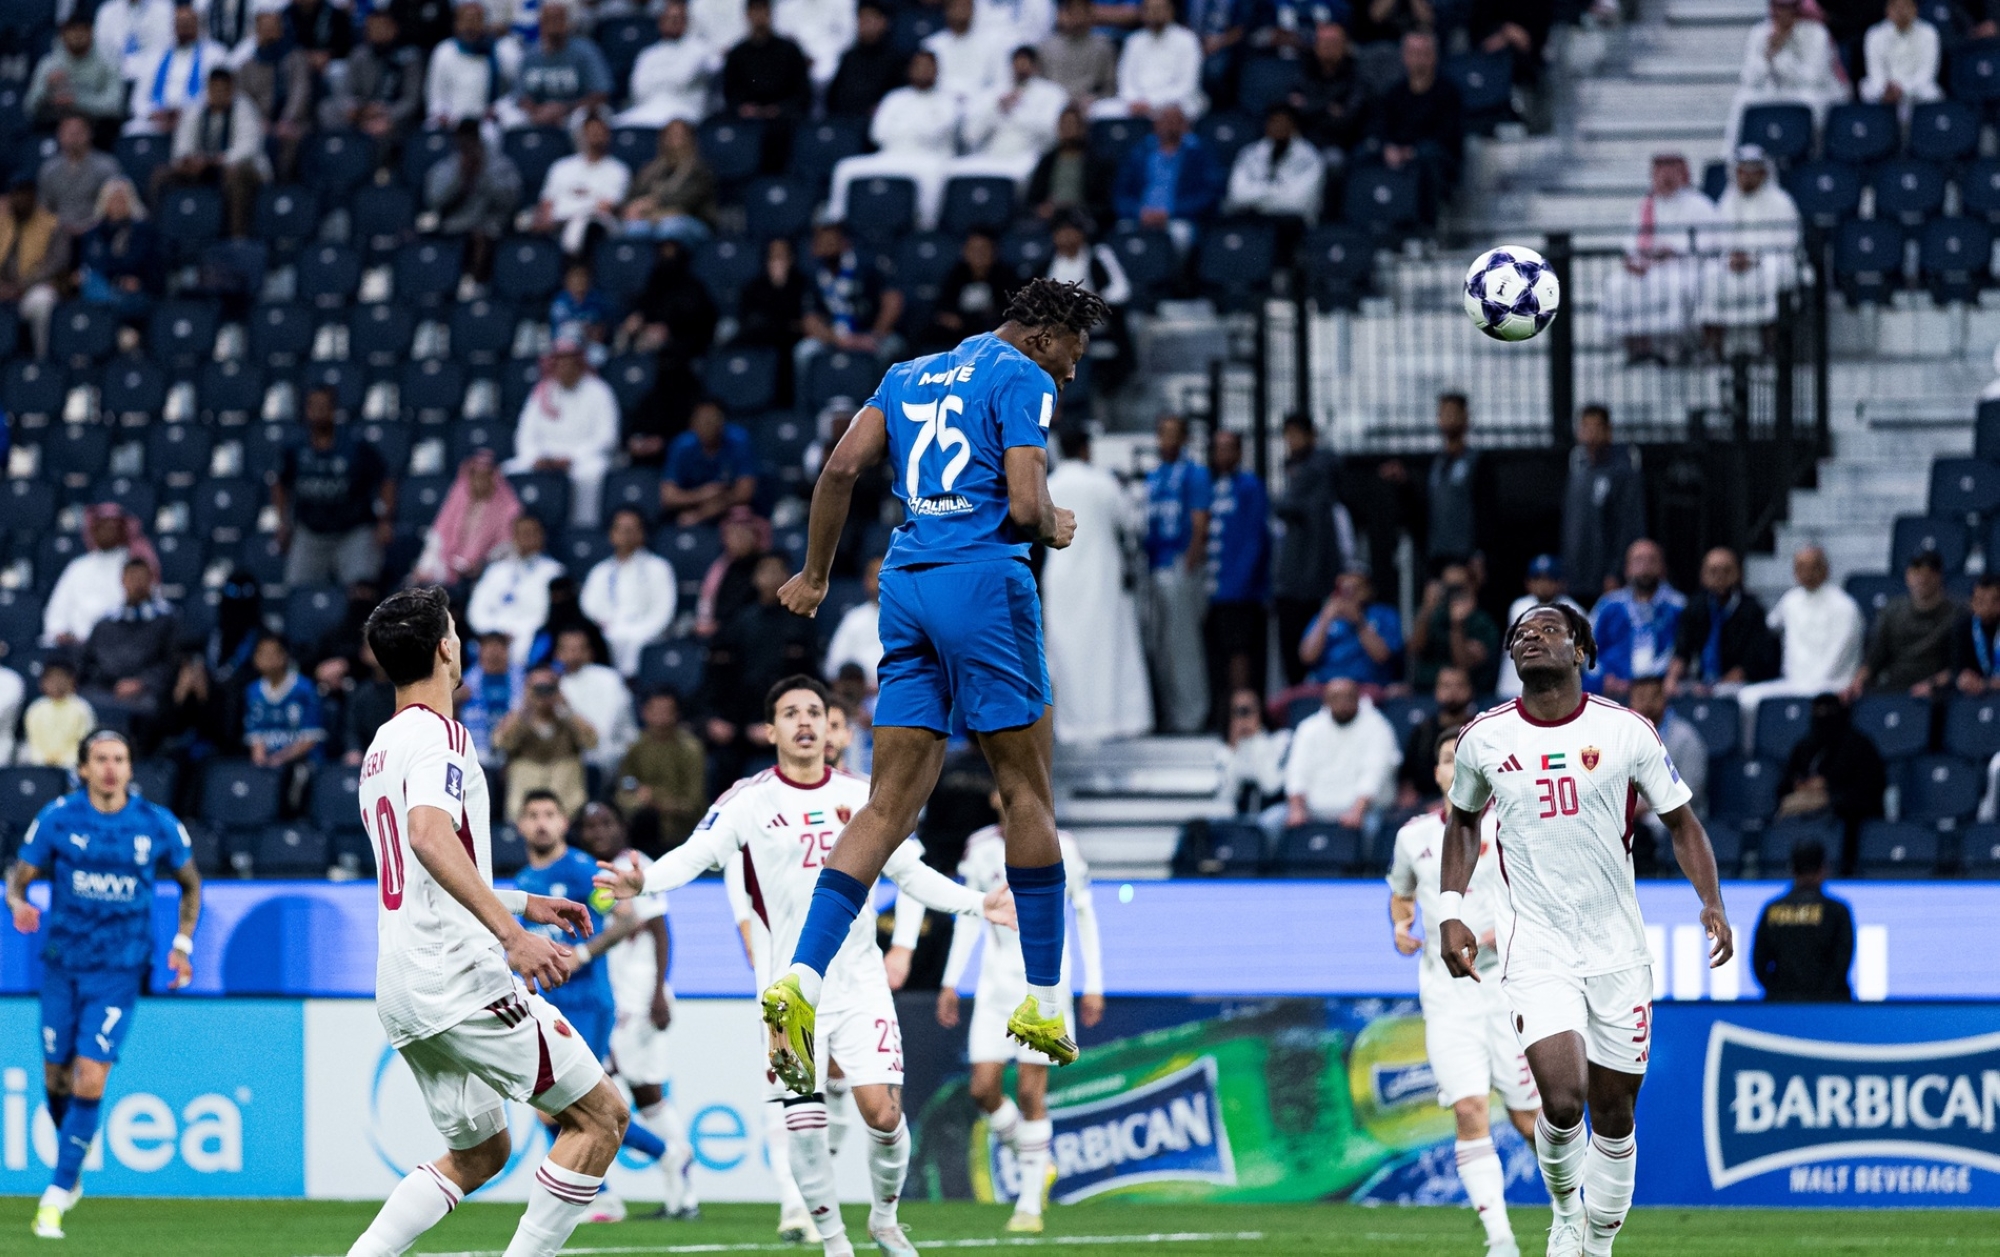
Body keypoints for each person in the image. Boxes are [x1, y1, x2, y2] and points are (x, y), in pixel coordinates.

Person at [758, 279, 1107, 1085]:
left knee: (886, 805)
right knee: (1027, 789)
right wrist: (1054, 522)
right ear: (1042, 336)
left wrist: (816, 574)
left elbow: (840, 468)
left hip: (907, 584)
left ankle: (800, 977)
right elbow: (1025, 504)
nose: (1071, 372)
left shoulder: (905, 374)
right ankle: (1043, 1000)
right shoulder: (1022, 377)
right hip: (983, 584)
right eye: (1071, 354)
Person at [598, 676, 1015, 1257]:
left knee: (883, 1114)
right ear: (770, 730)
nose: (804, 721)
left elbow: (910, 874)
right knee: (804, 1123)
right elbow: (696, 855)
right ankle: (834, 1242)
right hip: (787, 993)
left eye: (814, 712)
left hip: (860, 982)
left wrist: (977, 903)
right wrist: (644, 881)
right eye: (791, 713)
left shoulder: (866, 797)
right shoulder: (748, 800)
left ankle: (885, 1220)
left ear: (828, 727)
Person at [1438, 603, 1733, 1257]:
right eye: (1520, 633)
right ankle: (1566, 1213)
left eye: (1548, 629)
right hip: (1536, 945)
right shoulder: (1484, 737)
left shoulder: (1626, 731)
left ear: (1581, 650)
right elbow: (1462, 820)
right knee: (1564, 1100)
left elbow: (1682, 822)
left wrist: (1711, 901)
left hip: (1617, 949)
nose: (1530, 637)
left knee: (1615, 1114)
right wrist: (1450, 909)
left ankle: (1597, 1243)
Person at [344, 587, 626, 1257]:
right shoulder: (442, 734)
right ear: (447, 648)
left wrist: (525, 904)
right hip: (459, 979)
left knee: (482, 1152)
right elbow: (429, 836)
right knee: (601, 1118)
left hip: (404, 984)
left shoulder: (381, 746)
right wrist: (513, 934)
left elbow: (426, 868)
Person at [8, 731, 200, 1240]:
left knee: (90, 1076)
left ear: (130, 768)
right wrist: (19, 904)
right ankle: (72, 1158)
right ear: (83, 769)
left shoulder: (155, 823)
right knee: (56, 1078)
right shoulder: (58, 817)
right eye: (100, 759)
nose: (111, 768)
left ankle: (55, 1195)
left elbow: (191, 884)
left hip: (119, 970)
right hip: (63, 965)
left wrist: (182, 945)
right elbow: (18, 879)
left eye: (119, 759)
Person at [1387, 732, 1540, 1257]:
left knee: (1530, 1120)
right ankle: (1501, 1238)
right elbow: (1401, 893)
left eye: (1464, 759)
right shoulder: (1413, 837)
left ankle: (1575, 1210)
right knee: (1470, 1109)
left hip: (1508, 991)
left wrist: (1500, 932)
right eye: (1448, 759)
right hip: (1448, 997)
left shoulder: (1511, 825)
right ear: (1436, 773)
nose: (1456, 767)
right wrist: (1400, 926)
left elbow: (1540, 896)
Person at [511, 790, 683, 1224]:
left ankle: (609, 1191)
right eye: (533, 815)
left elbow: (627, 917)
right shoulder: (523, 880)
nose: (541, 823)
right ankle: (660, 1157)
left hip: (588, 1001)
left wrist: (584, 954)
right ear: (520, 825)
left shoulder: (583, 869)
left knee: (568, 1102)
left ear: (563, 823)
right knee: (553, 1106)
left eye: (550, 814)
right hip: (545, 1003)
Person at [938, 790, 1104, 1233]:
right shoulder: (980, 849)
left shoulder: (1063, 846)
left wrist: (1094, 983)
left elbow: (1084, 913)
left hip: (1045, 987)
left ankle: (1029, 1204)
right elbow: (969, 915)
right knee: (982, 1089)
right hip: (995, 989)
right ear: (993, 796)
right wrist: (951, 980)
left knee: (1032, 1093)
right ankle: (1036, 1161)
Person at [573, 803, 700, 1218]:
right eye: (590, 826)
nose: (598, 832)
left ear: (621, 826)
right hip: (613, 999)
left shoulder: (636, 866)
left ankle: (667, 1171)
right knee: (645, 1096)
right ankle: (680, 1190)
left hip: (639, 999)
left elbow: (661, 930)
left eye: (606, 823)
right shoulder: (586, 871)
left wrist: (658, 994)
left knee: (599, 1087)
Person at [1042, 428, 1152, 744]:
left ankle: (1073, 725)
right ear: (1086, 449)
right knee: (1108, 652)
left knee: (1067, 654)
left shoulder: (1050, 485)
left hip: (1062, 582)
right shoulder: (1103, 484)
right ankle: (1116, 720)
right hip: (1101, 579)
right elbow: (1130, 522)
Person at [1601, 154, 1717, 365]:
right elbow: (1631, 242)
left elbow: (1710, 240)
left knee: (1675, 287)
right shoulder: (1646, 205)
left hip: (1683, 267)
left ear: (1682, 174)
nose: (1666, 177)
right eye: (1661, 172)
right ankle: (1636, 348)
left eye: (1671, 171)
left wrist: (1674, 249)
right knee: (1616, 285)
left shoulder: (1699, 204)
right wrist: (1634, 261)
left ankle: (1672, 348)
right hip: (1647, 267)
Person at [275, 387, 395, 589]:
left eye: (324, 407)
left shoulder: (355, 447)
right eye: (314, 407)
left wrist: (385, 520)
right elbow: (279, 483)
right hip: (311, 533)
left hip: (353, 531)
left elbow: (386, 480)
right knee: (297, 591)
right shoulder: (294, 449)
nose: (319, 412)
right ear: (306, 411)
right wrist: (282, 522)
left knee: (362, 591)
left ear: (333, 410)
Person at [828, 50, 961, 232]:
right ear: (910, 70)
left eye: (927, 66)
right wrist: (915, 128)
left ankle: (926, 227)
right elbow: (878, 133)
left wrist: (903, 128)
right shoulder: (894, 98)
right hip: (891, 154)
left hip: (929, 157)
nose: (922, 70)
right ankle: (836, 221)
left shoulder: (948, 99)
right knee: (845, 168)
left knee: (932, 174)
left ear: (936, 70)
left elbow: (935, 133)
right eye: (918, 66)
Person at [1144, 414, 1212, 735]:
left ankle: (1193, 716)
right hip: (1154, 568)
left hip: (1178, 566)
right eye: (1163, 433)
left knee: (1184, 646)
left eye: (1173, 434)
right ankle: (1171, 715)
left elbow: (1200, 523)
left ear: (1184, 438)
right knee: (1161, 648)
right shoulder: (1154, 475)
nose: (1167, 440)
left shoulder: (1194, 474)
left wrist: (1189, 564)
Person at [506, 338, 620, 528]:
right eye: (560, 362)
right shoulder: (541, 392)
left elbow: (608, 437)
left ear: (579, 363)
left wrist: (572, 458)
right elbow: (524, 434)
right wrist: (535, 457)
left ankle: (583, 528)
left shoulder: (599, 391)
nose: (564, 367)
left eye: (569, 362)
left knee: (591, 474)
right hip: (544, 458)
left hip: (582, 459)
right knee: (509, 470)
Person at [1275, 677, 1401, 845]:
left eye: (1348, 697)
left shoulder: (1378, 727)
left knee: (1373, 829)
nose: (1342, 703)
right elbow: (1297, 770)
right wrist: (1297, 809)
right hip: (1311, 809)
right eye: (1335, 698)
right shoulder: (1309, 728)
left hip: (1363, 811)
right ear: (1325, 701)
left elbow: (1374, 773)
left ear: (1358, 698)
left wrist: (1357, 811)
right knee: (1270, 822)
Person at [1271, 414, 1348, 687]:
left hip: (1313, 581)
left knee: (1317, 651)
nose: (1291, 441)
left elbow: (1287, 506)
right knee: (1293, 653)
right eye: (1288, 435)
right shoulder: (1296, 470)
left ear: (1311, 435)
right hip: (1294, 581)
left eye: (1297, 434)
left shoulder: (1318, 468)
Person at [1739, 544, 1865, 710]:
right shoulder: (1790, 600)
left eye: (1813, 567)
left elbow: (1841, 651)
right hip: (1793, 683)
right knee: (1746, 697)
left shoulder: (1844, 606)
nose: (1807, 573)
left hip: (1832, 684)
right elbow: (1769, 626)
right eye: (1801, 568)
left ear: (1826, 570)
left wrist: (1816, 681)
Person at [1696, 146, 1801, 337]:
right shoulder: (1727, 202)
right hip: (1732, 263)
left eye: (1753, 173)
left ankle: (1771, 339)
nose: (1747, 178)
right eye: (1743, 172)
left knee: (1775, 273)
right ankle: (1715, 344)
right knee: (1709, 275)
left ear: (1763, 174)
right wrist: (1732, 258)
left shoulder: (1781, 202)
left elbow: (1789, 242)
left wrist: (1753, 259)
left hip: (1768, 261)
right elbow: (1718, 241)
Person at [1776, 694, 1885, 873]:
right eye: (1818, 712)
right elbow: (1785, 786)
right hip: (1800, 813)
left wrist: (1828, 795)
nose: (1823, 718)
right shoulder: (1804, 746)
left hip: (1847, 819)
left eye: (1828, 712)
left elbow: (1868, 792)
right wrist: (1803, 788)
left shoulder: (1860, 746)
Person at [1203, 430, 1268, 723]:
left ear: (1240, 452)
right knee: (1218, 653)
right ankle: (1221, 712)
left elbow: (1256, 537)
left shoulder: (1250, 486)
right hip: (1212, 585)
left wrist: (1242, 581)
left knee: (1239, 652)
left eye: (1229, 448)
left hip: (1239, 589)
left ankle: (1241, 714)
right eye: (1218, 448)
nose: (1222, 454)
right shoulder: (1210, 485)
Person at [1362, 31, 1463, 219]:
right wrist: (1388, 148)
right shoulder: (1393, 92)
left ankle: (1425, 225)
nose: (1418, 59)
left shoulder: (1448, 92)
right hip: (1396, 150)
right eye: (1413, 53)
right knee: (1362, 155)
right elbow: (1380, 126)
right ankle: (1365, 221)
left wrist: (1411, 152)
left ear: (1434, 57)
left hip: (1432, 153)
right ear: (1404, 56)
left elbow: (1448, 135)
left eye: (1424, 53)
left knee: (1429, 158)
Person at [76, 557, 179, 742]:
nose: (137, 583)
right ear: (122, 580)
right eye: (132, 577)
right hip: (105, 688)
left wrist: (143, 682)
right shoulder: (105, 623)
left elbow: (172, 663)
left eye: (142, 577)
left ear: (151, 580)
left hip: (147, 692)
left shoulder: (168, 620)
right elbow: (87, 662)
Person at [159, 65, 267, 238]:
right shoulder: (196, 107)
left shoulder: (244, 107)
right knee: (162, 176)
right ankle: (163, 235)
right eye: (214, 89)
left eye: (223, 90)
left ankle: (236, 238)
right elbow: (182, 143)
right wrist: (188, 159)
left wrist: (216, 161)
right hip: (203, 168)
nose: (218, 94)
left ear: (231, 89)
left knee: (235, 175)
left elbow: (248, 147)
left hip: (242, 168)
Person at [1751, 839, 1856, 1001]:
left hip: (1782, 1004)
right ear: (1824, 869)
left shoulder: (1772, 910)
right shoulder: (1836, 911)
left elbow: (1759, 963)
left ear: (1792, 869)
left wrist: (1779, 992)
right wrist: (1823, 995)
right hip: (1829, 1005)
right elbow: (1842, 962)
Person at [1112, 103, 1221, 256]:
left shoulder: (1198, 153)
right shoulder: (1139, 153)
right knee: (1122, 234)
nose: (1170, 126)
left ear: (1185, 125)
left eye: (1175, 121)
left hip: (1178, 218)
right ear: (1156, 124)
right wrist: (1139, 212)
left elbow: (1208, 195)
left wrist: (1171, 212)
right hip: (1140, 217)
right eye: (1165, 120)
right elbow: (1121, 194)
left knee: (1180, 235)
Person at [1667, 546, 1779, 695]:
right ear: (1703, 575)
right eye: (1713, 571)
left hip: (1742, 684)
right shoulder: (1695, 606)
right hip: (1703, 682)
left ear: (1738, 573)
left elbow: (1754, 659)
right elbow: (1682, 650)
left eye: (1726, 571)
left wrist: (1718, 687)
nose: (1720, 576)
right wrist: (1671, 679)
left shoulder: (1752, 609)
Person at [580, 509, 678, 677]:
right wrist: (611, 627)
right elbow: (589, 607)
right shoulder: (600, 571)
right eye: (621, 528)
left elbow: (663, 611)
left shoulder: (659, 568)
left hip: (645, 637)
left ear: (642, 534)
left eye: (632, 529)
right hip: (608, 635)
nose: (626, 534)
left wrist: (637, 633)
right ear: (611, 534)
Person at [1561, 406, 1646, 600]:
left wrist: (1615, 572)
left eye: (1596, 427)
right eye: (1585, 426)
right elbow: (1569, 527)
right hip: (1576, 576)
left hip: (1605, 577)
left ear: (1608, 431)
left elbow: (1627, 525)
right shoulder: (1578, 471)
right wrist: (1566, 571)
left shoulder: (1622, 472)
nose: (1590, 433)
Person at [1729, 0, 1844, 143]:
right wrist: (1770, 53)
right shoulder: (1759, 33)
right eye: (1779, 7)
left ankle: (1811, 153)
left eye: (1790, 7)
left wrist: (1783, 60)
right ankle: (1736, 154)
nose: (1784, 13)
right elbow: (1749, 78)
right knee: (1742, 99)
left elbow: (1815, 78)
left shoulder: (1817, 32)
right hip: (1775, 91)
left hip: (1810, 91)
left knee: (1811, 100)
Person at [44, 505, 159, 648]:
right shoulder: (78, 568)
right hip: (80, 648)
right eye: (102, 527)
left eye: (112, 527)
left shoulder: (136, 567)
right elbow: (56, 617)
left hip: (125, 648)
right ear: (93, 530)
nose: (107, 532)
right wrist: (62, 635)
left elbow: (154, 612)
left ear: (124, 530)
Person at [1847, 549, 1957, 698]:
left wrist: (1934, 684)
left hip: (1937, 691)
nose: (1922, 578)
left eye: (1928, 572)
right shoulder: (1891, 611)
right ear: (1907, 576)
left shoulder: (1957, 613)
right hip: (1894, 687)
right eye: (1916, 572)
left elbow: (1960, 666)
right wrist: (1857, 682)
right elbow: (1874, 659)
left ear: (1939, 576)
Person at [422, 121, 523, 283]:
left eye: (472, 139)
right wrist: (461, 177)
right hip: (453, 229)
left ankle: (478, 284)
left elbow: (510, 201)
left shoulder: (501, 165)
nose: (468, 145)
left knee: (482, 237)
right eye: (463, 140)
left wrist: (482, 173)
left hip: (492, 229)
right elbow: (434, 202)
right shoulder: (445, 167)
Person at [800, 219, 906, 368]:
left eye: (831, 240)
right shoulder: (813, 273)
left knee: (887, 350)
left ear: (844, 242)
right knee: (804, 351)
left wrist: (874, 336)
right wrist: (837, 340)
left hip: (873, 334)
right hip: (834, 338)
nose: (825, 244)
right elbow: (810, 320)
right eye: (821, 240)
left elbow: (893, 303)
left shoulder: (868, 264)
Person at [496, 664, 599, 818]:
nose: (543, 694)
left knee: (569, 765)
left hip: (566, 797)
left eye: (549, 688)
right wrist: (524, 707)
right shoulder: (518, 722)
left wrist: (566, 707)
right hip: (525, 795)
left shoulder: (568, 723)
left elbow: (591, 742)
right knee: (521, 767)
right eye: (537, 688)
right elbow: (501, 743)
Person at [957, 47, 1069, 186]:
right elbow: (970, 135)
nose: (1020, 69)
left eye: (1025, 64)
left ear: (1035, 66)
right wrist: (997, 109)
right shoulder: (994, 92)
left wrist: (1021, 110)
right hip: (991, 154)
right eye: (1017, 64)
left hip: (1030, 153)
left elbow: (1052, 133)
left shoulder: (1051, 93)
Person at [615, 690, 709, 853]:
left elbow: (694, 804)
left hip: (680, 825)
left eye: (666, 711)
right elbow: (625, 787)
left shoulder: (691, 749)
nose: (661, 716)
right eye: (655, 710)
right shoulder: (636, 746)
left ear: (677, 714)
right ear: (644, 712)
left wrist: (656, 800)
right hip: (641, 819)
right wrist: (636, 800)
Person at [413, 449, 522, 589]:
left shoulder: (506, 506)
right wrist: (425, 567)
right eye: (476, 476)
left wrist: (482, 564)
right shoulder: (457, 500)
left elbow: (507, 545)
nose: (480, 482)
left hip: (487, 568)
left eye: (485, 477)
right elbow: (438, 537)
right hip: (451, 565)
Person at [468, 514, 567, 664]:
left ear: (542, 536)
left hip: (527, 635)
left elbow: (544, 614)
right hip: (490, 634)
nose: (526, 537)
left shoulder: (553, 572)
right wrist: (491, 632)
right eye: (521, 533)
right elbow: (477, 607)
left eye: (531, 533)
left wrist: (514, 632)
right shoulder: (496, 570)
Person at [1588, 539, 1683, 697]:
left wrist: (1670, 678)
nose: (1645, 566)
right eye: (1638, 560)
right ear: (1627, 569)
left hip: (1663, 690)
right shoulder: (1609, 605)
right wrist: (1603, 677)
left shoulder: (1678, 606)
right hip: (1614, 688)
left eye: (1652, 560)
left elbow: (1685, 653)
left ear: (1663, 568)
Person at [320, 9, 424, 149]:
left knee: (390, 127)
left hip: (391, 114)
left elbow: (411, 101)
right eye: (372, 28)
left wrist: (387, 113)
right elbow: (347, 91)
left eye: (381, 27)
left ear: (393, 28)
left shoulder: (409, 58)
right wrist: (356, 108)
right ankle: (337, 153)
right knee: (327, 108)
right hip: (362, 112)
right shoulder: (358, 55)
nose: (376, 32)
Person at [532, 112, 630, 257]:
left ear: (607, 135)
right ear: (582, 135)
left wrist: (569, 211)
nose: (595, 137)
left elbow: (606, 206)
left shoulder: (618, 170)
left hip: (594, 228)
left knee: (582, 225)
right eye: (591, 132)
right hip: (557, 224)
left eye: (599, 132)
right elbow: (547, 202)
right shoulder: (561, 167)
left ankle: (577, 263)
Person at [503, 2, 612, 129]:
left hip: (574, 113)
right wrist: (537, 112)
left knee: (588, 115)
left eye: (558, 19)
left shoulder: (586, 50)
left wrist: (565, 109)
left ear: (568, 23)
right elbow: (520, 95)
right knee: (511, 117)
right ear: (541, 23)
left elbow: (601, 93)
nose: (554, 25)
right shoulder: (530, 55)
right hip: (539, 113)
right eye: (549, 19)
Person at [126, 4, 228, 137]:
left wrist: (187, 113)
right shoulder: (155, 55)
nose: (184, 28)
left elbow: (217, 94)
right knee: (130, 132)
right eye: (180, 23)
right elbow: (138, 99)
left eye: (188, 23)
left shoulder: (215, 54)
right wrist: (153, 114)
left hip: (196, 118)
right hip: (157, 119)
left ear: (198, 25)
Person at [1627, 674, 1709, 838]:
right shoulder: (1624, 737)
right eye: (1640, 697)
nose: (1647, 704)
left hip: (1677, 816)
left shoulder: (1685, 737)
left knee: (1645, 828)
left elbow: (1690, 792)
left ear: (1663, 698)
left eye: (1653, 697)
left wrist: (1645, 807)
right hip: (1633, 813)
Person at [1223, 103, 1324, 231]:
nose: (1277, 126)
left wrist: (1258, 194)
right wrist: (1278, 190)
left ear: (1293, 125)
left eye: (1282, 122)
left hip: (1292, 227)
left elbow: (1298, 202)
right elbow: (1237, 195)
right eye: (1273, 121)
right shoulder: (1249, 153)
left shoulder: (1310, 157)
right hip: (1252, 221)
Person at [0, 176, 71, 361]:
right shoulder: (3, 222)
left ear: (33, 196)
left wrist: (23, 284)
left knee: (42, 302)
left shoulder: (52, 224)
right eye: (15, 195)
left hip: (33, 289)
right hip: (4, 289)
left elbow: (57, 262)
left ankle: (42, 361)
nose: (19, 199)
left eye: (24, 195)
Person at [74, 178, 162, 324]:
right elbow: (89, 263)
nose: (118, 203)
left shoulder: (143, 231)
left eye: (122, 199)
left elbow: (139, 262)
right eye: (113, 199)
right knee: (90, 283)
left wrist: (139, 282)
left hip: (133, 293)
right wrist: (116, 275)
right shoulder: (92, 234)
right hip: (99, 287)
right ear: (104, 202)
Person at [617, 0, 717, 127]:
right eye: (669, 18)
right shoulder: (648, 54)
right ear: (661, 22)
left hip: (685, 111)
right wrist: (671, 80)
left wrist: (659, 81)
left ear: (687, 21)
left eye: (678, 18)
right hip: (649, 108)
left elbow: (683, 77)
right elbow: (638, 90)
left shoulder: (700, 49)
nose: (674, 22)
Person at [1497, 555, 1585, 700]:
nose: (1543, 584)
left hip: (1555, 691)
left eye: (1549, 579)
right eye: (1537, 579)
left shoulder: (1575, 611)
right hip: (1513, 687)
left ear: (1560, 583)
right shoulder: (1519, 607)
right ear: (1528, 583)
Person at [554, 626, 638, 775]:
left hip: (614, 757)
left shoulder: (609, 679)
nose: (573, 655)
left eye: (579, 649)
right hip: (570, 761)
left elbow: (605, 733)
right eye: (568, 649)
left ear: (589, 652)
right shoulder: (554, 684)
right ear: (557, 654)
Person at [1099, 0, 1205, 118]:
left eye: (1159, 9)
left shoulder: (1187, 40)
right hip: (1137, 103)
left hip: (1173, 102)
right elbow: (1125, 80)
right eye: (1149, 9)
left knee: (1176, 112)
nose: (1154, 13)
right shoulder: (1134, 41)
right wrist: (1134, 100)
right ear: (1142, 13)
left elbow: (1187, 86)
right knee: (1100, 110)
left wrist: (1151, 102)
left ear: (1171, 12)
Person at [1299, 568, 1402, 688]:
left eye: (1355, 589)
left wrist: (1359, 622)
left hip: (1369, 686)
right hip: (1324, 686)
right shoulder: (1323, 616)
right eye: (1343, 589)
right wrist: (1324, 619)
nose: (1348, 595)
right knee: (1285, 698)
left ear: (1368, 590)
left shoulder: (1384, 614)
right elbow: (1308, 657)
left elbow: (1382, 657)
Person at [662, 399, 759, 526]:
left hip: (730, 508)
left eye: (713, 419)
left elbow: (745, 492)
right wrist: (702, 495)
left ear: (723, 422)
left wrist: (702, 514)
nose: (708, 424)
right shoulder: (681, 445)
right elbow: (668, 497)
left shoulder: (739, 440)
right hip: (691, 507)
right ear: (692, 424)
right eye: (702, 419)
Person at [620, 121, 718, 244]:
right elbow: (633, 197)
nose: (673, 140)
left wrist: (651, 203)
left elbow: (686, 202)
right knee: (633, 229)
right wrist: (635, 206)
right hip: (652, 218)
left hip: (693, 220)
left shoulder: (700, 169)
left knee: (669, 228)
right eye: (669, 135)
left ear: (691, 139)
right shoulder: (650, 170)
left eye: (679, 135)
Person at [1411, 561, 1500, 694]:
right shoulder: (1434, 615)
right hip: (1426, 691)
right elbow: (1414, 651)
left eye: (1458, 587)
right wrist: (1426, 609)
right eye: (1448, 587)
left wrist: (1457, 625)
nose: (1453, 593)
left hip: (1469, 695)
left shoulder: (1482, 621)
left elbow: (1464, 664)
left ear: (1471, 586)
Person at [923, 230, 1020, 351]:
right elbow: (943, 307)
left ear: (994, 251)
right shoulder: (955, 275)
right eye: (973, 249)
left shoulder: (1007, 277)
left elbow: (1006, 312)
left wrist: (967, 321)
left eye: (983, 249)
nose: (978, 255)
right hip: (956, 336)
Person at [243, 633, 326, 771]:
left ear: (284, 655)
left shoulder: (305, 688)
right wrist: (260, 760)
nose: (267, 659)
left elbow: (311, 738)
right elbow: (255, 735)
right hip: (268, 764)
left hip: (302, 763)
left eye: (272, 653)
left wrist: (280, 759)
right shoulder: (253, 691)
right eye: (262, 653)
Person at [721, 0, 814, 124]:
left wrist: (780, 109)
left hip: (784, 121)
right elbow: (730, 93)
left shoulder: (789, 50)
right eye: (755, 10)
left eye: (763, 10)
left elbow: (802, 92)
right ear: (747, 15)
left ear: (770, 13)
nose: (759, 16)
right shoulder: (737, 53)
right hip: (746, 122)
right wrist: (742, 108)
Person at [28, 18, 126, 133]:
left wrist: (76, 100)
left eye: (81, 31)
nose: (77, 36)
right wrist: (46, 88)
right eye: (72, 31)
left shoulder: (108, 62)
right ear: (62, 35)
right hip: (55, 125)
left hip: (96, 126)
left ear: (91, 33)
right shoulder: (49, 64)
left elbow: (114, 105)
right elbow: (30, 106)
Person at [1396, 664, 1474, 807]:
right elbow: (1407, 776)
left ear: (1470, 690)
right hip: (1424, 802)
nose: (1453, 692)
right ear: (1436, 691)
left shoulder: (1480, 731)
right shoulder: (1422, 731)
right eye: (1446, 686)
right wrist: (1407, 795)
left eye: (1459, 686)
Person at [1291, 22, 1366, 157]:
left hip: (1341, 143)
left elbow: (1347, 119)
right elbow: (1293, 111)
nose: (1328, 47)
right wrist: (1329, 107)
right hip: (1303, 140)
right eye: (1324, 42)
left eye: (1334, 42)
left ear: (1346, 46)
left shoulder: (1357, 76)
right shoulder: (1303, 72)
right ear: (1315, 45)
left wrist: (1310, 105)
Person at [38, 115, 122, 235]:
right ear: (59, 135)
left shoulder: (106, 166)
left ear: (89, 134)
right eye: (69, 132)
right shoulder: (49, 169)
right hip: (60, 232)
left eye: (78, 132)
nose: (74, 137)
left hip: (99, 231)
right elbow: (45, 208)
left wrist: (93, 227)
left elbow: (116, 204)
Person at [1027, 108, 1116, 222]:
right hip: (1051, 218)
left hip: (1083, 218)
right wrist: (1041, 209)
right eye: (1063, 124)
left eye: (1071, 124)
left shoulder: (1097, 162)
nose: (1067, 129)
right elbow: (1032, 198)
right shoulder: (1047, 161)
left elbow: (1103, 202)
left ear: (1082, 128)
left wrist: (1080, 210)